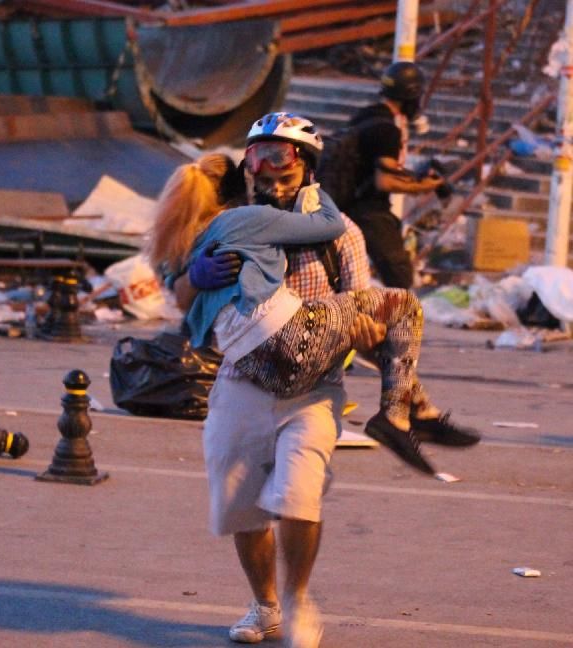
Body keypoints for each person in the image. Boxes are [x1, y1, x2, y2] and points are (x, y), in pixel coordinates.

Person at [148, 112, 480, 647]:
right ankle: (266, 607)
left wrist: (360, 333)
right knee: (241, 507)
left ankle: (299, 600)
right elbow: (180, 295)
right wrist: (194, 275)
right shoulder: (226, 217)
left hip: (314, 388)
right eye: (258, 157)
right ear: (247, 164)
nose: (269, 170)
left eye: (282, 157)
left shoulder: (340, 231)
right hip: (242, 381)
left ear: (306, 163)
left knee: (299, 497)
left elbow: (363, 303)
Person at [345, 61, 447, 289]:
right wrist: (423, 187)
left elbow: (381, 168)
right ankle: (395, 322)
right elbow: (385, 180)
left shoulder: (366, 116)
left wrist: (414, 176)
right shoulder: (387, 130)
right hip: (367, 210)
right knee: (399, 276)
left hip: (346, 204)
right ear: (411, 97)